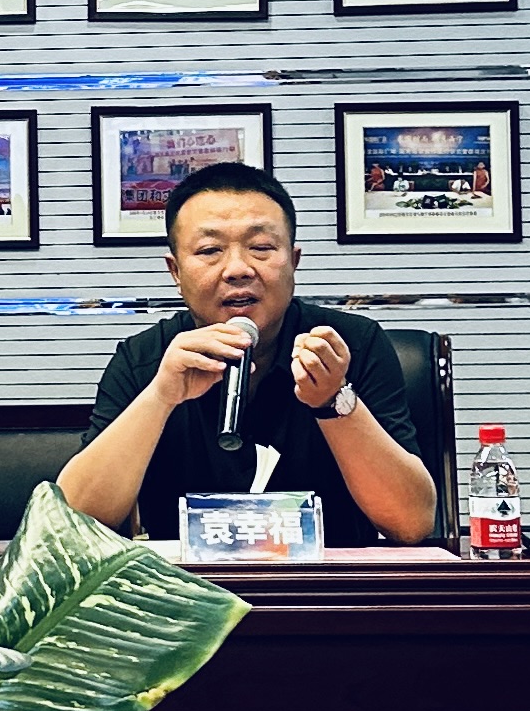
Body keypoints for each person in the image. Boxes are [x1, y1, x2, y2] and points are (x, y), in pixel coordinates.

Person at [59, 161, 438, 545]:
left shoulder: (350, 344)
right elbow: (72, 525)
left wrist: (333, 401)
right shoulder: (144, 358)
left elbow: (411, 523)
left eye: (261, 248)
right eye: (210, 250)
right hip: (188, 582)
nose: (238, 269)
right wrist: (160, 397)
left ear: (294, 261)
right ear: (175, 272)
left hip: (327, 580)